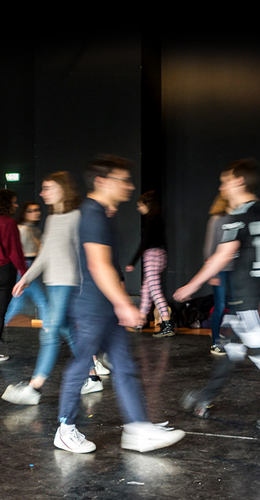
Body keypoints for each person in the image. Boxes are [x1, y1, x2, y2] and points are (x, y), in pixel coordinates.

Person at [54, 154, 185, 453]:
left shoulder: (102, 213)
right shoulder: (91, 213)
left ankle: (137, 427)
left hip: (106, 307)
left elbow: (108, 265)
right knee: (81, 367)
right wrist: (124, 304)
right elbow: (98, 266)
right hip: (92, 307)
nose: (129, 185)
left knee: (124, 366)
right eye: (123, 179)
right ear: (102, 181)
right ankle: (65, 428)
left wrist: (119, 301)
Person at [173, 158, 260, 424]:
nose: (222, 187)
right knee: (231, 349)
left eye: (225, 181)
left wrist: (192, 285)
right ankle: (205, 396)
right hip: (245, 298)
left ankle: (205, 396)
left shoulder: (239, 216)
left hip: (247, 298)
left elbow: (222, 256)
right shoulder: (257, 211)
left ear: (238, 181)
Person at [1, 172, 82, 404]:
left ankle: (34, 388)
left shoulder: (76, 217)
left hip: (68, 284)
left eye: (47, 188)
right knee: (65, 329)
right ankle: (92, 373)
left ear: (62, 190)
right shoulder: (53, 218)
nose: (41, 192)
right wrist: (25, 278)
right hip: (54, 283)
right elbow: (45, 254)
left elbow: (82, 255)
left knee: (48, 332)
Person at [125, 191, 174, 338]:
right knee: (147, 290)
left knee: (154, 291)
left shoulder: (151, 220)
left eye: (140, 205)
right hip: (159, 255)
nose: (139, 208)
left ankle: (167, 324)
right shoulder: (157, 219)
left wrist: (132, 262)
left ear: (147, 204)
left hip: (152, 256)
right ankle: (140, 322)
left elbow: (144, 243)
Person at [4, 201, 48, 328]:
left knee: (16, 305)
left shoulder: (35, 230)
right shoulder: (21, 229)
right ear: (24, 213)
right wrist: (23, 272)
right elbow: (15, 251)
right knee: (41, 301)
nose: (35, 213)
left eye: (37, 210)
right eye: (31, 211)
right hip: (24, 268)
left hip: (31, 268)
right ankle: (50, 331)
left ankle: (50, 331)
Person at [203, 193, 234, 355]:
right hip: (220, 270)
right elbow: (209, 248)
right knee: (220, 306)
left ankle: (232, 339)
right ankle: (215, 342)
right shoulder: (217, 220)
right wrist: (211, 273)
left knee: (236, 306)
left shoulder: (237, 218)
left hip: (235, 270)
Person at [0, 189, 27, 361]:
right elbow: (15, 252)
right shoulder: (8, 223)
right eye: (14, 201)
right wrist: (24, 274)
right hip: (3, 272)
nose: (16, 205)